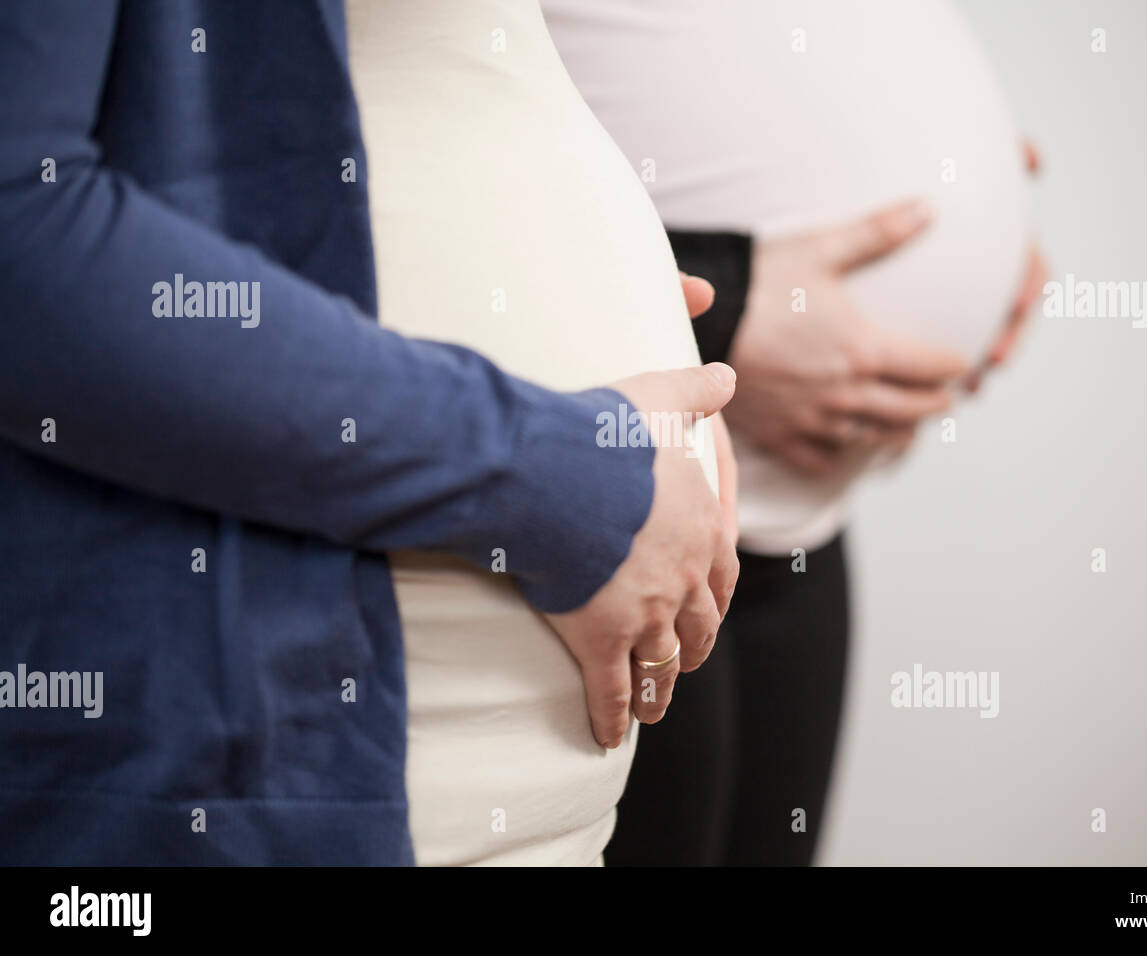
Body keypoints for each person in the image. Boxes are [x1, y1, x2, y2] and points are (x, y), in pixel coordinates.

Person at [0, 0, 736, 865]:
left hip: (546, 739)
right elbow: (22, 235)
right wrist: (548, 471)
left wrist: (609, 298)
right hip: (266, 697)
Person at [546, 0, 1044, 864]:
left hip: (804, 533)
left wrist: (981, 181)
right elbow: (420, 146)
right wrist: (725, 299)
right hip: (619, 510)